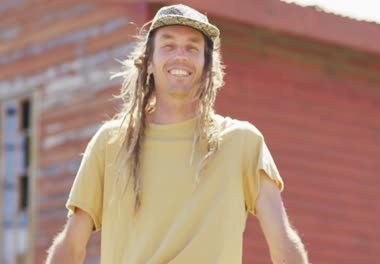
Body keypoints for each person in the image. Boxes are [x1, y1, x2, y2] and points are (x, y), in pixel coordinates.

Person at [46, 4, 308, 264]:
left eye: (192, 47)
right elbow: (71, 247)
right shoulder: (111, 142)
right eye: (168, 45)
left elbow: (283, 244)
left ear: (208, 66)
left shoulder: (243, 143)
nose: (180, 55)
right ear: (149, 62)